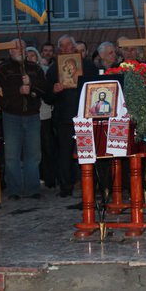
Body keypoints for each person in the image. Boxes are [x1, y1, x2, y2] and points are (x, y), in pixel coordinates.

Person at [43, 35, 98, 197]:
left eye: (69, 46)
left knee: (88, 152)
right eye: (63, 47)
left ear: (75, 47)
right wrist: (54, 90)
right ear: (59, 49)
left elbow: (96, 87)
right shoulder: (54, 69)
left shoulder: (88, 66)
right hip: (64, 118)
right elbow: (47, 96)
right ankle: (66, 187)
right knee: (64, 154)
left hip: (86, 116)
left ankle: (91, 186)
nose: (66, 49)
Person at [0, 40, 47, 199]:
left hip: (32, 115)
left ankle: (33, 188)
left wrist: (31, 86)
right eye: (16, 48)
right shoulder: (3, 69)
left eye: (23, 47)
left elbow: (43, 89)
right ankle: (14, 189)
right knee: (12, 155)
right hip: (11, 115)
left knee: (33, 154)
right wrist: (17, 90)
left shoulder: (35, 68)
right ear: (10, 51)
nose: (20, 50)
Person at [26, 47, 57, 189]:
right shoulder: (23, 73)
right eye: (28, 56)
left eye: (34, 55)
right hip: (29, 114)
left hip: (44, 113)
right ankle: (36, 177)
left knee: (47, 146)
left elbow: (47, 90)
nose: (31, 58)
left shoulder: (44, 70)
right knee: (33, 148)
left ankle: (49, 177)